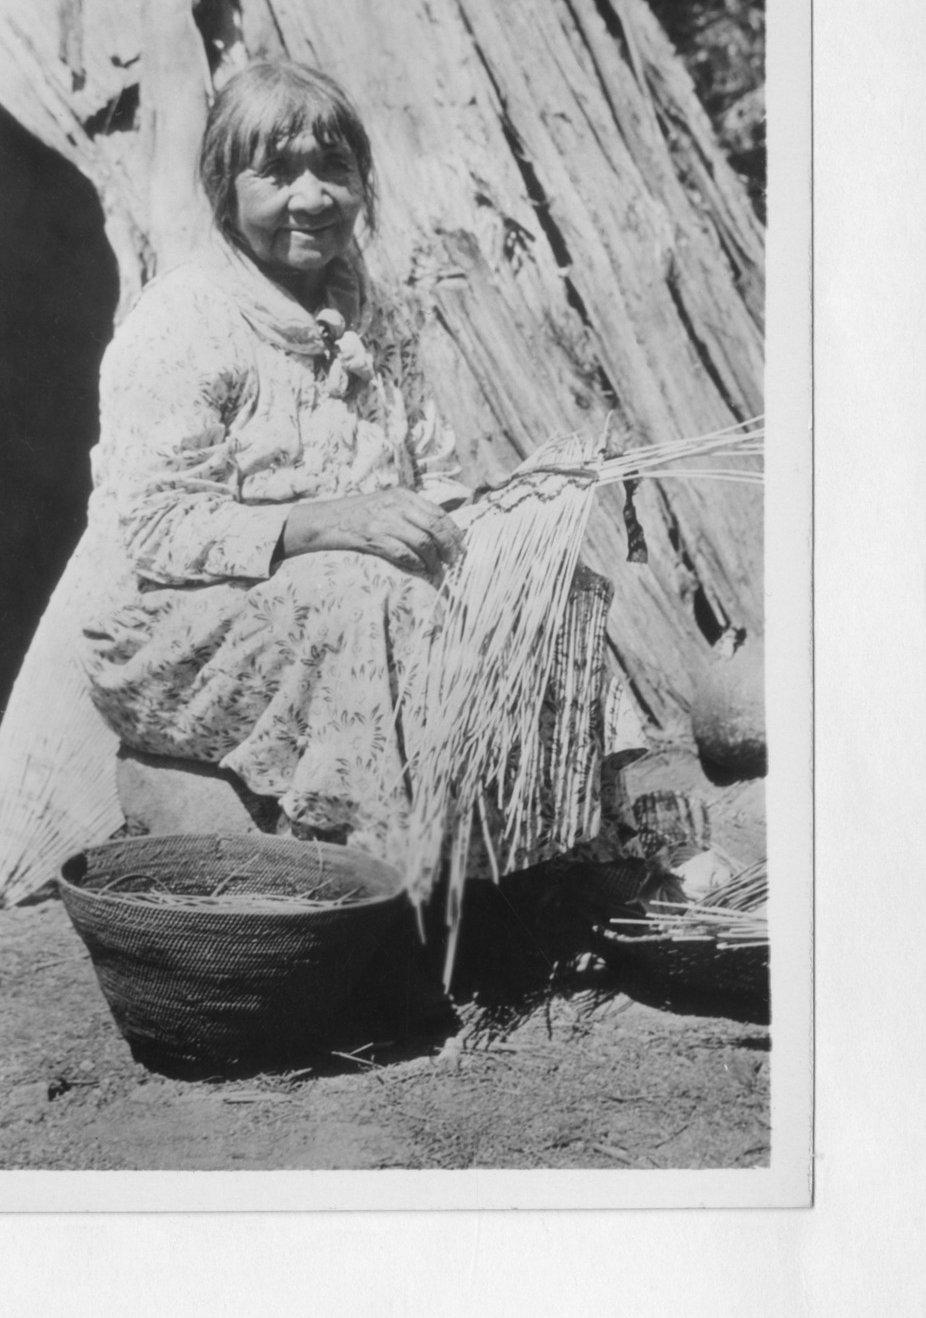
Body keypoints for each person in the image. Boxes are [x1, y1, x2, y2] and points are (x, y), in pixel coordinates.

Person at [78, 58, 635, 872]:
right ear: (224, 190)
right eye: (275, 173)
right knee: (364, 591)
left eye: (334, 169)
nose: (311, 197)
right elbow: (156, 528)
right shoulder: (184, 320)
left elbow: (432, 470)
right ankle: (367, 874)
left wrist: (514, 518)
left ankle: (580, 845)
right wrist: (333, 525)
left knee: (549, 584)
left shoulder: (377, 314)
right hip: (173, 626)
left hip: (344, 588)